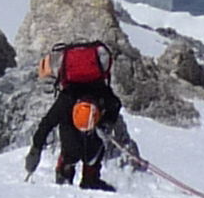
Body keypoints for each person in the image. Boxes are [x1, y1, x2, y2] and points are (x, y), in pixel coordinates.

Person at [25, 34, 141, 189]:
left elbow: (47, 123)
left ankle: (65, 174)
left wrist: (36, 149)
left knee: (70, 149)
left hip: (71, 122)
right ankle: (90, 179)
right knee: (92, 148)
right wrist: (106, 123)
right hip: (95, 121)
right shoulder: (100, 91)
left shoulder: (67, 98)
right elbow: (115, 104)